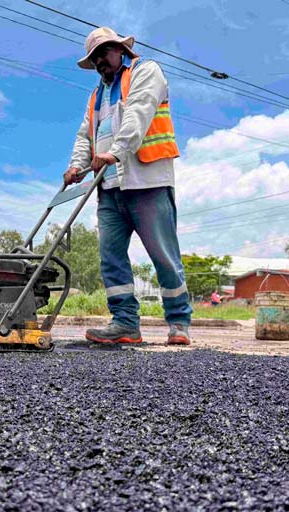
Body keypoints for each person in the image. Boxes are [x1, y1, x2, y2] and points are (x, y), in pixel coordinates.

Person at [63, 27, 192, 345]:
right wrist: (77, 166)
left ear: (121, 49)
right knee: (110, 257)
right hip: (108, 187)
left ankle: (178, 322)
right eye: (94, 58)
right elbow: (85, 136)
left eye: (104, 52)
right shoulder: (95, 96)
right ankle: (125, 323)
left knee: (163, 254)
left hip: (146, 181)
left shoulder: (145, 72)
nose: (100, 61)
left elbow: (139, 113)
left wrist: (115, 152)